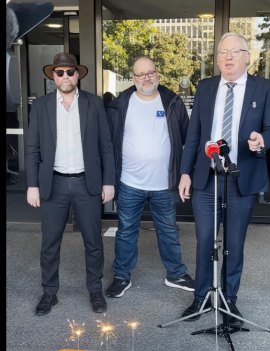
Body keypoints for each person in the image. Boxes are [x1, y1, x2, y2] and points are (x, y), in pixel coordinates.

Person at [179, 32, 270, 326]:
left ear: (247, 56)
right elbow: (194, 134)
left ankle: (229, 299)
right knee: (204, 241)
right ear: (218, 58)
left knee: (234, 244)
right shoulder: (206, 87)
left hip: (241, 178)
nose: (229, 57)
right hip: (207, 179)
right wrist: (185, 172)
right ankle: (201, 298)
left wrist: (263, 139)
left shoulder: (264, 88)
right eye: (223, 52)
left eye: (235, 52)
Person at [26, 52, 115, 316]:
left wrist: (108, 181)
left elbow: (106, 145)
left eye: (70, 71)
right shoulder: (40, 106)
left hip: (86, 183)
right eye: (59, 72)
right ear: (53, 76)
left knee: (93, 242)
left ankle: (95, 290)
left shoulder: (93, 104)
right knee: (50, 243)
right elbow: (32, 148)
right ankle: (49, 293)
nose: (65, 76)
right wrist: (32, 184)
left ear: (78, 75)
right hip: (53, 184)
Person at [105, 56, 195, 298]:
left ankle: (175, 274)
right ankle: (122, 276)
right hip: (129, 182)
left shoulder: (173, 102)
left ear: (157, 74)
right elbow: (109, 143)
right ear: (133, 78)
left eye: (151, 72)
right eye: (141, 74)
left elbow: (187, 139)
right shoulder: (119, 104)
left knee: (168, 230)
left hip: (165, 184)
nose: (147, 77)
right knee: (126, 231)